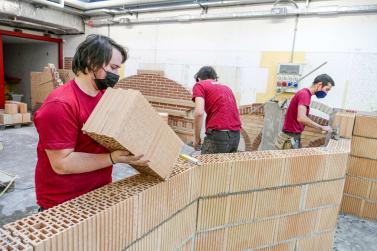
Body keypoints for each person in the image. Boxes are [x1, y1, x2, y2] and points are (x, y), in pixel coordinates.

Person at [34, 35, 149, 210]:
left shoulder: (104, 97)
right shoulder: (60, 104)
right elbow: (62, 164)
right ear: (92, 62)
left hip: (98, 193)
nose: (116, 75)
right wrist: (112, 158)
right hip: (63, 202)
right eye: (113, 67)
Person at [192, 66, 241, 154]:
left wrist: (196, 138)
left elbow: (199, 113)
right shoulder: (226, 88)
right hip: (236, 135)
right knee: (223, 167)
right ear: (215, 78)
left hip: (218, 135)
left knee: (207, 167)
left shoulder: (200, 85)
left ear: (199, 78)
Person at [278, 74, 334, 149]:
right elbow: (301, 118)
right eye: (327, 89)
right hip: (290, 137)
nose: (326, 93)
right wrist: (321, 127)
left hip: (291, 135)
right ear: (319, 85)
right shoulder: (304, 95)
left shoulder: (305, 93)